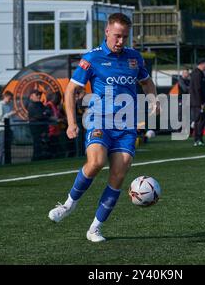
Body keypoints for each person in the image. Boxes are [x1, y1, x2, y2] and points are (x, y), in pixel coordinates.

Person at [47, 13, 157, 242]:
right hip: (99, 120)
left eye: (124, 37)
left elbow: (147, 83)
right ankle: (68, 205)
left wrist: (153, 100)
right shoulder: (92, 58)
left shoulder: (134, 58)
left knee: (120, 171)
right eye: (117, 36)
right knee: (96, 162)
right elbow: (70, 90)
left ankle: (95, 228)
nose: (120, 41)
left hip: (126, 126)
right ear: (107, 31)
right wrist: (71, 123)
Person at [190, 58, 205, 146]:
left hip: (198, 102)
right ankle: (197, 140)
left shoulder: (199, 73)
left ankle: (199, 139)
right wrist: (201, 102)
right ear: (202, 64)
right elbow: (197, 89)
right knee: (199, 120)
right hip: (198, 103)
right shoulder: (197, 74)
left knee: (201, 120)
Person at [27, 89, 51, 161]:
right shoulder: (31, 104)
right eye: (37, 94)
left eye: (39, 94)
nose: (39, 96)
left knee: (43, 144)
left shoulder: (40, 104)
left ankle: (40, 158)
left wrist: (45, 114)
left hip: (42, 127)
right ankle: (35, 159)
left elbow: (48, 112)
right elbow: (39, 115)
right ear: (31, 96)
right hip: (36, 128)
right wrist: (44, 114)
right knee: (37, 144)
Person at [0, 91, 16, 165]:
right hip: (3, 129)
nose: (10, 100)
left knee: (7, 147)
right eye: (9, 98)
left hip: (8, 128)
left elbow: (8, 117)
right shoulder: (0, 105)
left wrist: (11, 114)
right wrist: (10, 114)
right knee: (2, 148)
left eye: (11, 99)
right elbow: (0, 118)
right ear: (5, 97)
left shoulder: (8, 105)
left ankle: (5, 163)